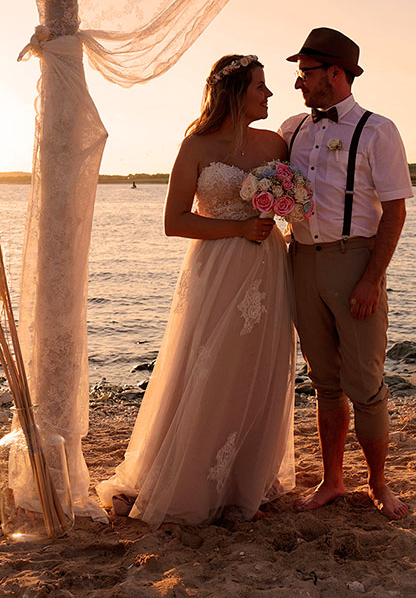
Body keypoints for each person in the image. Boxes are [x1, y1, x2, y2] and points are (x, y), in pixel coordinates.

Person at [97, 54, 296, 526]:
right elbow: (175, 222)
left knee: (260, 368)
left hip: (268, 268)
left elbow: (298, 200)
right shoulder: (196, 146)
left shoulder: (276, 143)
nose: (269, 95)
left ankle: (243, 484)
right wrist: (239, 228)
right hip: (217, 267)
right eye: (260, 87)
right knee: (207, 366)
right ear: (234, 93)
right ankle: (187, 481)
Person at [279, 28, 413, 520]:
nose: (299, 84)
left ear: (335, 74)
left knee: (366, 381)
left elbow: (395, 212)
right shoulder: (292, 129)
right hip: (300, 260)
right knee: (323, 381)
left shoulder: (378, 130)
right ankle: (331, 480)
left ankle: (380, 484)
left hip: (355, 259)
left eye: (305, 74)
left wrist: (372, 279)